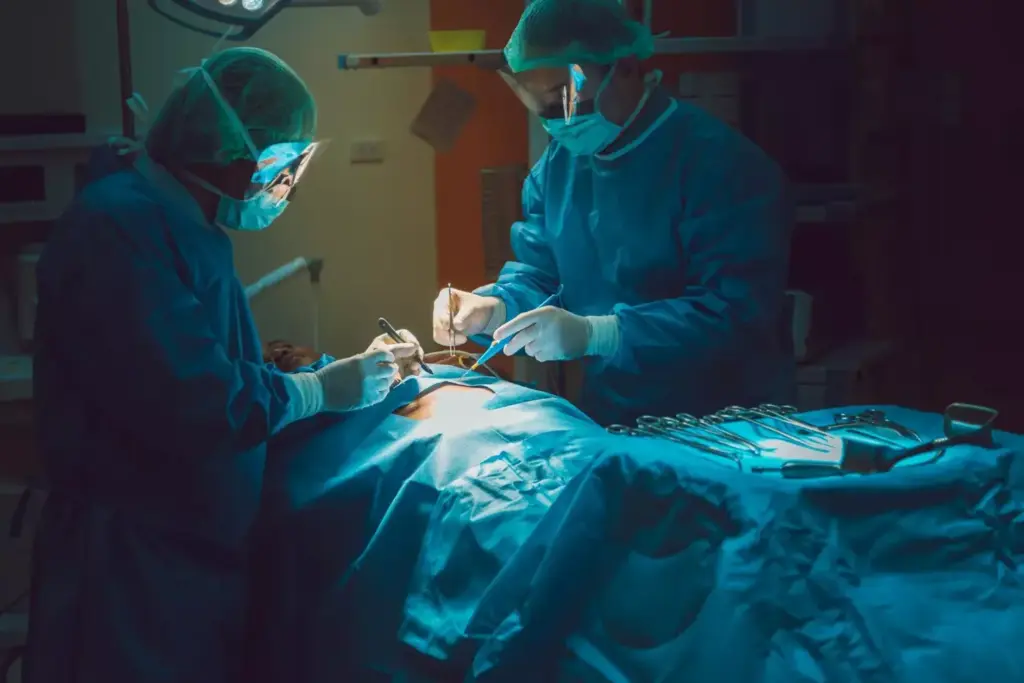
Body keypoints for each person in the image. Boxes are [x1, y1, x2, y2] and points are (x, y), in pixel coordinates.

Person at [25, 47, 422, 683]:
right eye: (279, 163)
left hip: (186, 555)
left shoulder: (186, 227)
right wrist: (320, 390)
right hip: (131, 570)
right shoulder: (117, 231)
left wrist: (331, 377)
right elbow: (198, 399)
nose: (283, 183)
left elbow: (215, 361)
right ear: (229, 151)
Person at [432, 0, 794, 426]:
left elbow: (735, 313)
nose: (556, 117)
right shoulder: (557, 169)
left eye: (566, 94)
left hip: (730, 422)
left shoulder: (720, 166)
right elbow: (540, 277)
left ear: (624, 67)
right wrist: (494, 308)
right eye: (540, 100)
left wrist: (598, 334)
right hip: (615, 417)